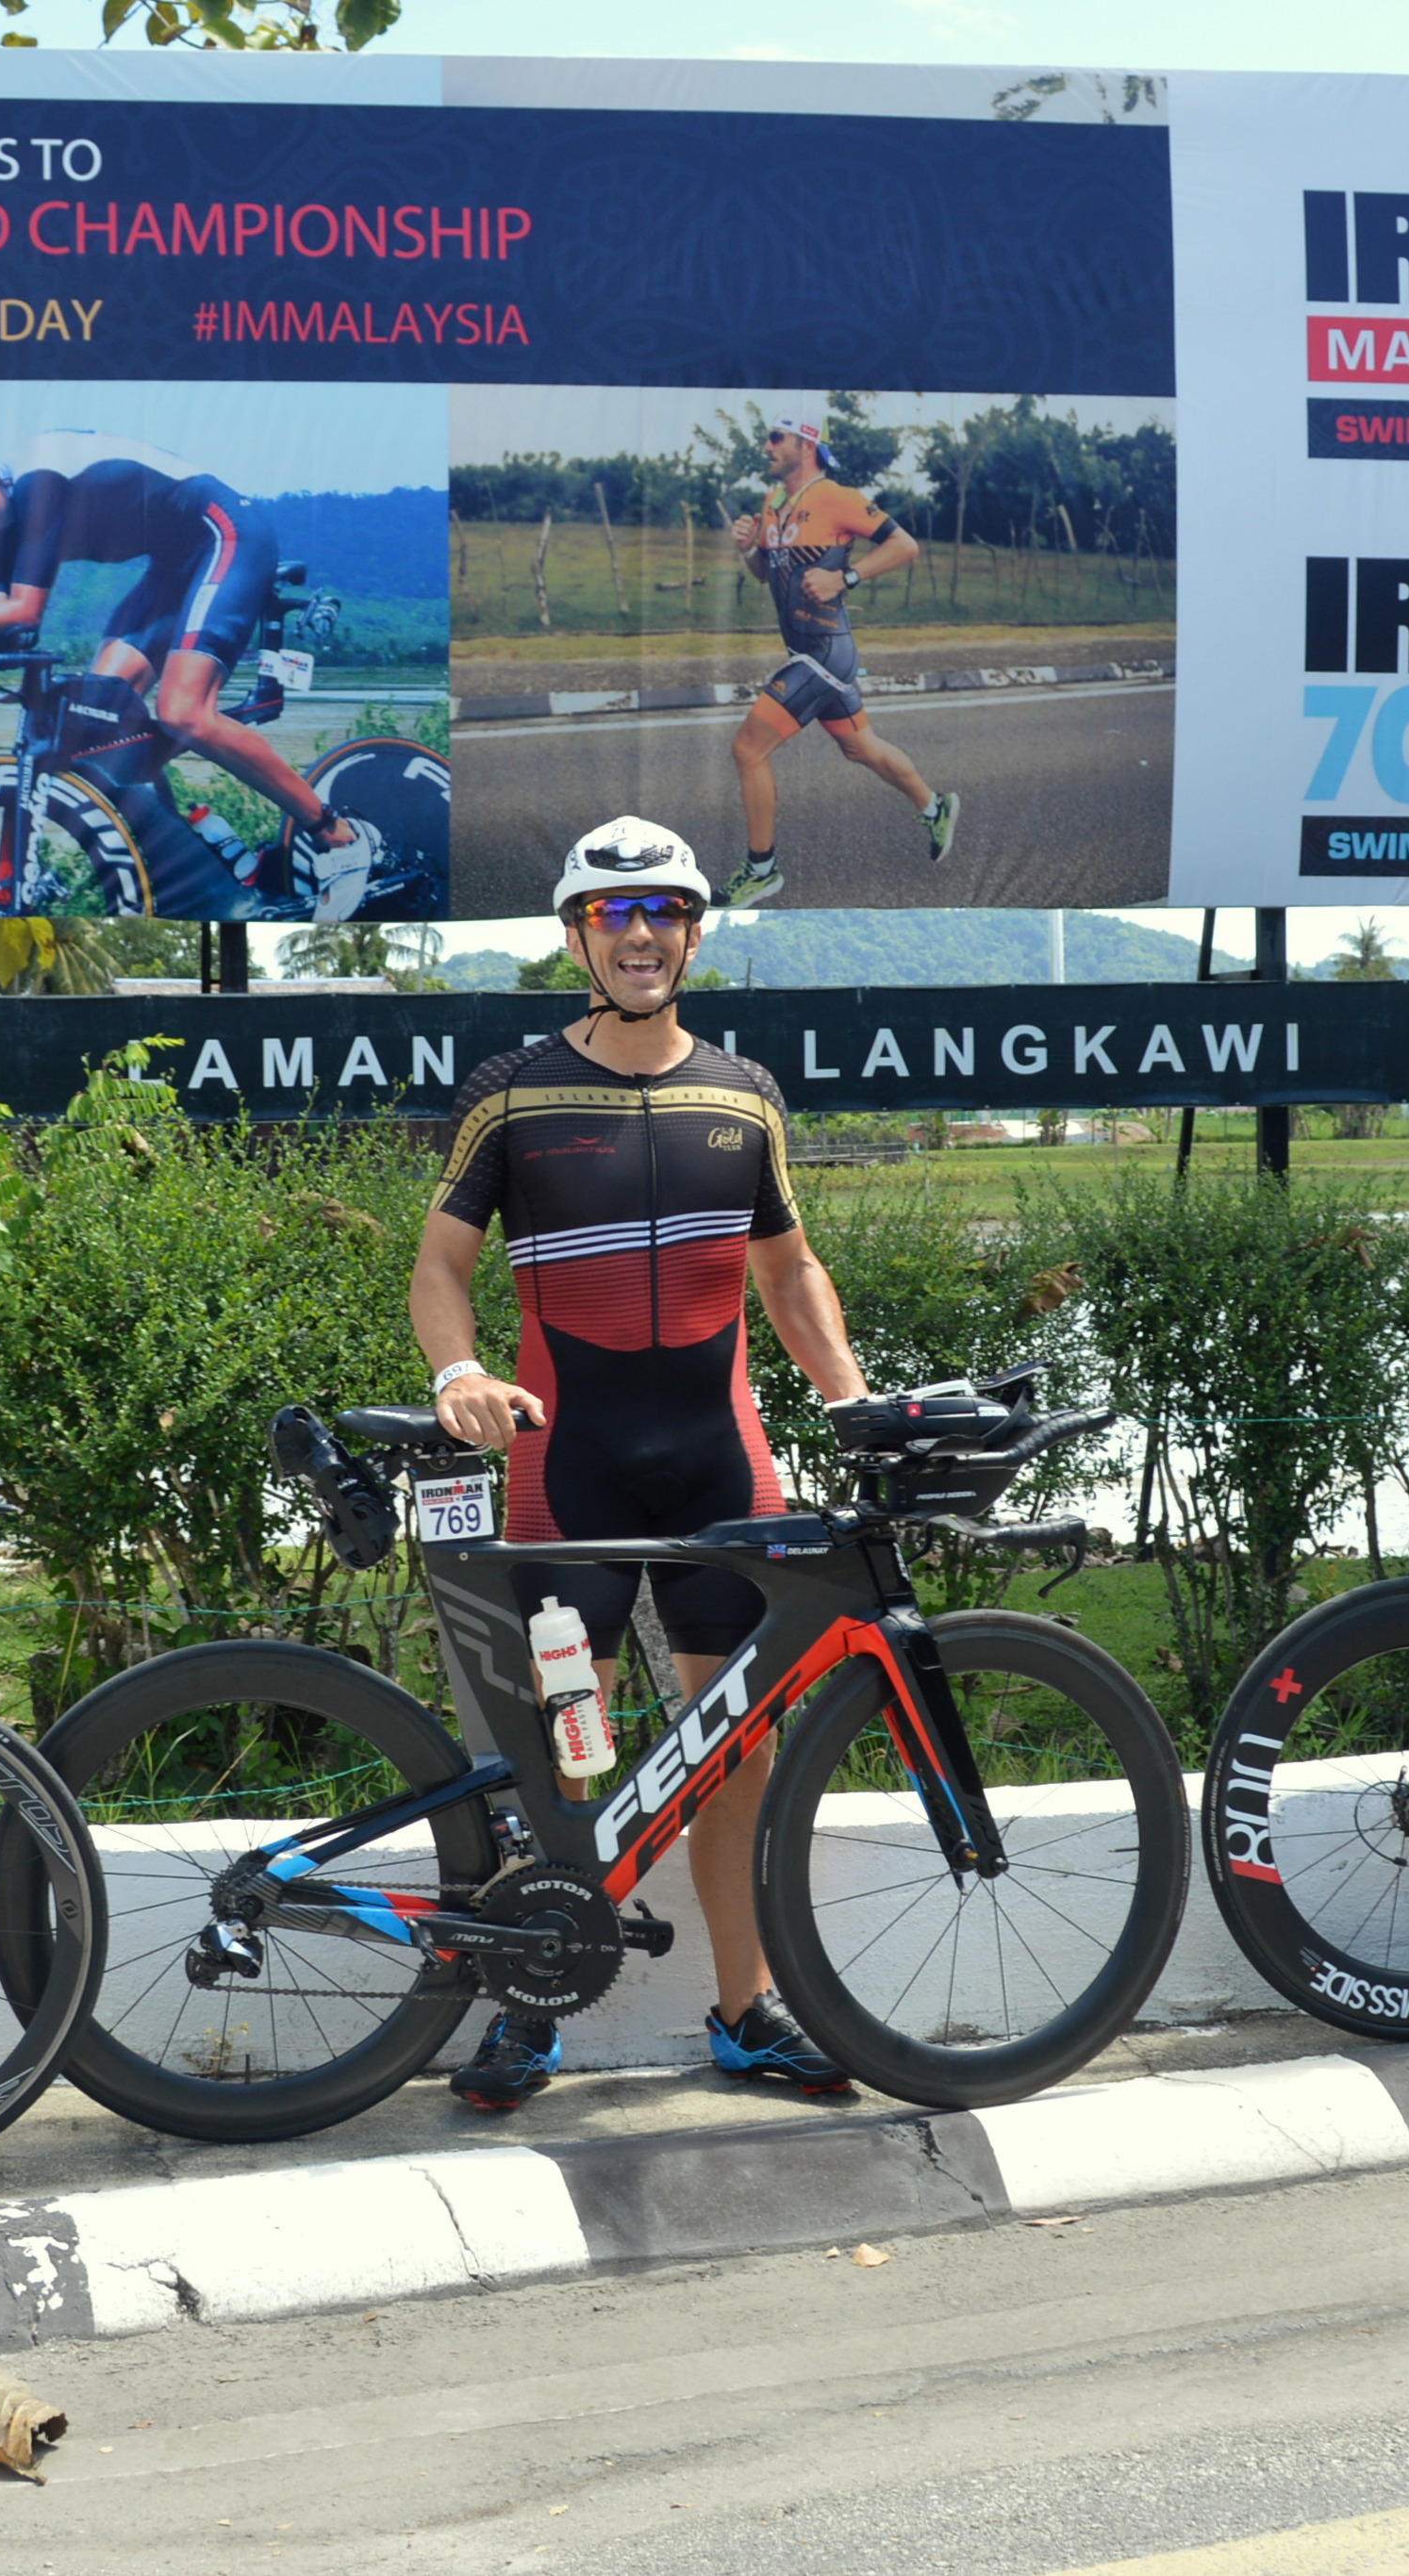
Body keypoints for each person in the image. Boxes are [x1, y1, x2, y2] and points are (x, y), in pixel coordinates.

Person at [410, 816, 883, 2109]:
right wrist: (460, 1376)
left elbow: (789, 1276)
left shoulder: (744, 1093)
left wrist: (852, 1404)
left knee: (737, 1744)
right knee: (563, 1741)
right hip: (569, 1470)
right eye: (613, 915)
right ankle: (531, 2008)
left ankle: (746, 2011)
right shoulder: (512, 1089)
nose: (639, 934)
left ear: (690, 932)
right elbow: (441, 1268)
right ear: (576, 934)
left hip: (721, 1463)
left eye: (663, 912)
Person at [0, 413, 378, 917]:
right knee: (101, 717)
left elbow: (22, 609)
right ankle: (214, 858)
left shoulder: (39, 484)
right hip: (172, 569)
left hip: (226, 535)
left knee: (183, 712)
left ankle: (341, 839)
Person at [719, 413, 956, 907]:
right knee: (861, 749)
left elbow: (904, 544)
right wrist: (747, 550)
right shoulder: (775, 503)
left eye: (775, 436)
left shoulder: (837, 497)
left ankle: (761, 869)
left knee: (748, 750)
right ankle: (935, 808)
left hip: (824, 653)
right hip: (809, 653)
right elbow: (766, 573)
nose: (765, 444)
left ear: (806, 443)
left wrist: (845, 578)